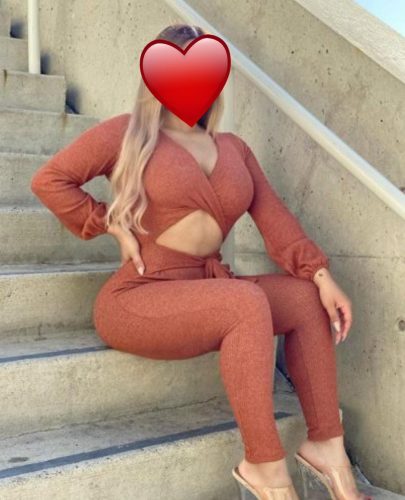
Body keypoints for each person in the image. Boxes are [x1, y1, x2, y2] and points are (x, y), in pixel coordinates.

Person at [30, 23, 371, 500]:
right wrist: (109, 222)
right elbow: (50, 180)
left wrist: (320, 274)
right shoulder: (129, 134)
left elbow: (276, 220)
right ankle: (264, 467)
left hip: (210, 286)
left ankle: (326, 449)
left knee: (305, 298)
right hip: (141, 295)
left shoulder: (234, 148)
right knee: (244, 302)